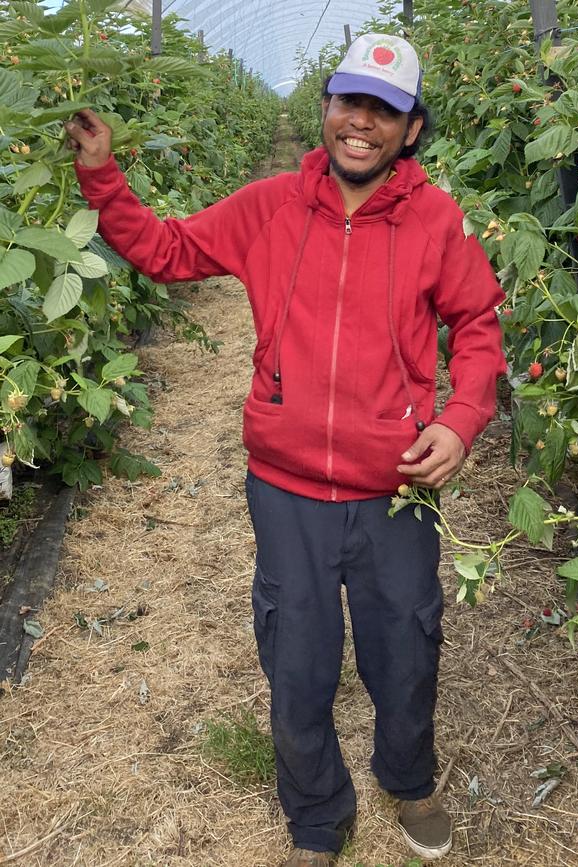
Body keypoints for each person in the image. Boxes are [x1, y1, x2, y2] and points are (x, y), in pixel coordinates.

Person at [66, 32, 505, 866]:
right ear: (327, 108)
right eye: (350, 103)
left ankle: (408, 780)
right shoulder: (271, 204)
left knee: (406, 647)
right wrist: (101, 173)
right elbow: (166, 250)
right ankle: (314, 817)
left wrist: (462, 415)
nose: (361, 124)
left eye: (385, 110)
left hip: (395, 488)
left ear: (410, 129)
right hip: (286, 486)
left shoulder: (436, 219)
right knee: (297, 662)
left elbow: (477, 323)